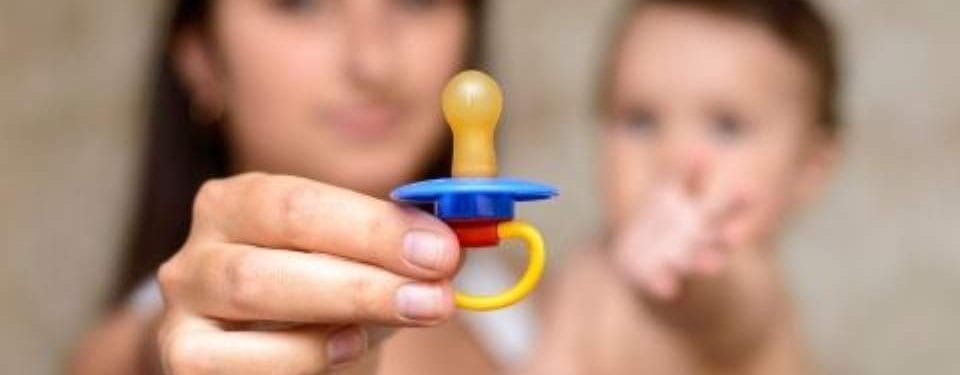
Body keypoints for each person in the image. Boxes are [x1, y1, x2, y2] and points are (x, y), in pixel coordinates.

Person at [71, 0, 498, 373]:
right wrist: (209, 340)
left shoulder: (523, 305)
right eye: (301, 3)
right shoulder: (129, 348)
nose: (374, 63)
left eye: (417, 0)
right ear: (200, 57)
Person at [528, 0, 840, 373]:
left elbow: (721, 306)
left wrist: (686, 264)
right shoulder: (584, 270)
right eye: (641, 120)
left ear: (809, 167)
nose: (672, 155)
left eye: (727, 126)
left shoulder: (749, 285)